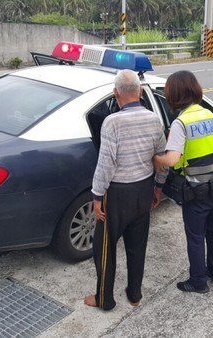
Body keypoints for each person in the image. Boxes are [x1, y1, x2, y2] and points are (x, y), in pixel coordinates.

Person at [84, 69, 168, 310]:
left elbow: (106, 164)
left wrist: (97, 196)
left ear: (115, 93)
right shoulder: (154, 119)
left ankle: (104, 299)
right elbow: (161, 158)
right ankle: (134, 295)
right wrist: (159, 187)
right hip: (143, 190)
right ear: (140, 92)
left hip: (117, 194)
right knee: (137, 245)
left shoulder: (112, 122)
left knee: (104, 248)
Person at [153, 70, 213, 293]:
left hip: (198, 189)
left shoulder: (181, 123)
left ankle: (198, 282)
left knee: (195, 237)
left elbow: (171, 160)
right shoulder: (207, 114)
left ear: (174, 94)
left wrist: (154, 159)